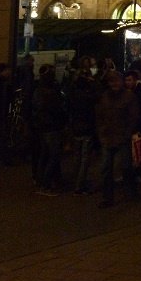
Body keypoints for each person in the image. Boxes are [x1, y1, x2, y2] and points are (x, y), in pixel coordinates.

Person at [95, 69, 139, 208]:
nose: (114, 84)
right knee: (106, 169)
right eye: (111, 81)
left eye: (116, 81)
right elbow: (99, 115)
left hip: (122, 137)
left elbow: (133, 117)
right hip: (108, 137)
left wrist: (127, 133)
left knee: (126, 166)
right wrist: (101, 132)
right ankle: (108, 197)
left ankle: (130, 190)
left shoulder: (129, 97)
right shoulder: (105, 97)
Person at [32, 64, 68, 195]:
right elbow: (57, 109)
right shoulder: (50, 92)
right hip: (51, 126)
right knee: (53, 156)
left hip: (43, 127)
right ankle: (45, 185)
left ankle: (41, 181)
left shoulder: (38, 90)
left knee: (45, 155)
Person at [69, 68, 99, 195]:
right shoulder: (88, 94)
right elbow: (97, 97)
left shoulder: (73, 93)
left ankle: (76, 182)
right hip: (87, 127)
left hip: (76, 127)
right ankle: (80, 185)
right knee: (85, 158)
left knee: (77, 157)